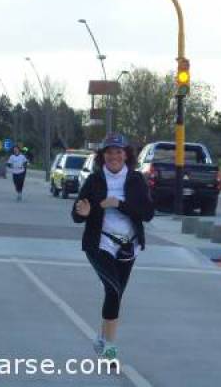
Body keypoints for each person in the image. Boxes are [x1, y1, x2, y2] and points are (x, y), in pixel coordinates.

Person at [72, 133, 154, 362]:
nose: (114, 156)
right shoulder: (94, 180)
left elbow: (147, 214)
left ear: (126, 155)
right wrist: (83, 212)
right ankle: (109, 349)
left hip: (129, 245)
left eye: (118, 152)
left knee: (116, 295)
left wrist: (119, 204)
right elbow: (76, 214)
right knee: (114, 290)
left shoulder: (136, 180)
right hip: (100, 243)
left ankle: (102, 339)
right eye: (109, 152)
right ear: (103, 156)